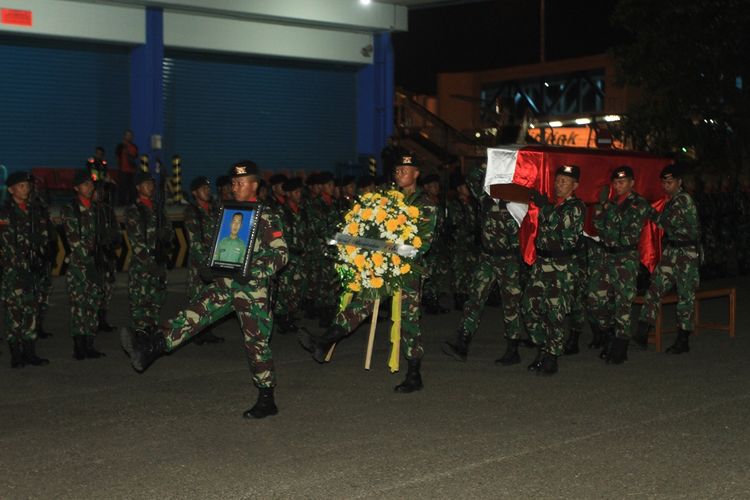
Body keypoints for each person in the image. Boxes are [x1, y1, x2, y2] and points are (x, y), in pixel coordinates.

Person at [120, 160, 289, 419]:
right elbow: (218, 245)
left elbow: (281, 255)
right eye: (233, 183)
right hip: (225, 284)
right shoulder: (228, 212)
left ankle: (267, 397)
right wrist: (210, 265)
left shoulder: (266, 216)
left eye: (240, 183)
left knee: (256, 343)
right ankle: (151, 346)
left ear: (254, 185)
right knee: (193, 314)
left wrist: (252, 269)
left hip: (252, 291)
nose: (234, 187)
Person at [298, 154, 437, 393]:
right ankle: (326, 339)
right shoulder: (385, 198)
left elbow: (422, 244)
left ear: (416, 173)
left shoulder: (425, 203)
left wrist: (390, 248)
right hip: (381, 264)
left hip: (408, 269)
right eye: (397, 170)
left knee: (408, 320)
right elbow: (371, 222)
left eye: (406, 169)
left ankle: (414, 373)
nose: (400, 173)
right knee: (362, 303)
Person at [442, 163, 523, 363]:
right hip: (487, 258)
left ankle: (513, 348)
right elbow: (471, 177)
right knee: (474, 299)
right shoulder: (484, 197)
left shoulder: (515, 203)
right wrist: (489, 163)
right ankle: (462, 342)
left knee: (511, 304)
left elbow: (521, 232)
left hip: (508, 259)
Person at [521, 165, 585, 374]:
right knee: (529, 308)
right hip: (542, 264)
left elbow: (559, 224)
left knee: (555, 313)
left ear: (575, 185)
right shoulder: (551, 205)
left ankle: (552, 356)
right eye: (557, 180)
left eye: (564, 181)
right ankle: (543, 347)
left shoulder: (575, 207)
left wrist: (544, 207)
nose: (559, 185)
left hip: (562, 266)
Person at [586, 165, 651, 364]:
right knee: (595, 299)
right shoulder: (610, 203)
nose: (618, 185)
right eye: (615, 182)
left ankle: (621, 346)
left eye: (622, 182)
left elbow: (623, 228)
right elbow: (599, 228)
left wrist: (606, 209)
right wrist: (600, 209)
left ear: (631, 183)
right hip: (606, 257)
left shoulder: (639, 204)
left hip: (626, 258)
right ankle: (608, 335)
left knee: (623, 302)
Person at [634, 164, 700, 354]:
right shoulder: (672, 200)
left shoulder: (683, 200)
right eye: (663, 182)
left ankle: (683, 338)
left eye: (669, 182)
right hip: (673, 251)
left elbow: (667, 223)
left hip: (687, 253)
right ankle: (643, 330)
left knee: (685, 295)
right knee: (655, 287)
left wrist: (648, 210)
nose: (665, 186)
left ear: (679, 182)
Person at [0, 171, 50, 368]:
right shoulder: (4, 213)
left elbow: (43, 236)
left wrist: (40, 255)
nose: (26, 188)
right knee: (14, 313)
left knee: (31, 310)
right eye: (21, 185)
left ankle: (30, 352)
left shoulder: (34, 210)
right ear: (11, 189)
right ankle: (16, 354)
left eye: (27, 185)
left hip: (32, 269)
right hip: (13, 271)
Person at [61, 170, 111, 360]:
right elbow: (74, 240)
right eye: (85, 184)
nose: (90, 188)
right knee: (79, 307)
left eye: (91, 184)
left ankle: (90, 344)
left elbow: (103, 236)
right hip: (80, 267)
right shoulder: (70, 210)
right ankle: (79, 346)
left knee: (93, 305)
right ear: (76, 188)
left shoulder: (97, 210)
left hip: (96, 264)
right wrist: (91, 256)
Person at [124, 170, 173, 332]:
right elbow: (136, 242)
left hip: (158, 262)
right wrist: (149, 263)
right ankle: (139, 337)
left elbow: (169, 232)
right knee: (141, 303)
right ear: (138, 187)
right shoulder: (133, 210)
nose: (150, 187)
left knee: (156, 300)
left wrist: (165, 240)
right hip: (142, 267)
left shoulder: (159, 208)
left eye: (152, 183)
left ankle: (151, 334)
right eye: (146, 184)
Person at [184, 176, 224, 344]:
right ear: (194, 192)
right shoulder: (191, 211)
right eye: (203, 188)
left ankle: (207, 331)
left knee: (211, 297)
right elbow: (195, 241)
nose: (207, 191)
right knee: (197, 297)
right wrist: (205, 263)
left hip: (215, 261)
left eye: (208, 188)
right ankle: (195, 333)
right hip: (199, 264)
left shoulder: (215, 209)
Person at [273, 177, 307, 334]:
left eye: (300, 191)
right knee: (284, 289)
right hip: (288, 256)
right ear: (288, 194)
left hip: (300, 256)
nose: (299, 194)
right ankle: (282, 318)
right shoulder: (281, 211)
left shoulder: (301, 210)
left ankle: (290, 316)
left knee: (297, 289)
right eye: (296, 192)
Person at [446, 173, 479, 311]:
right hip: (459, 243)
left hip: (471, 243)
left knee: (470, 270)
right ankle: (459, 298)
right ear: (460, 188)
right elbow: (457, 224)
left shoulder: (472, 202)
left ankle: (468, 296)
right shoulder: (456, 204)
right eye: (466, 186)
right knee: (459, 271)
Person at [420, 174, 450, 314]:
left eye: (437, 185)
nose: (437, 188)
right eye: (433, 185)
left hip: (438, 244)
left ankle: (433, 300)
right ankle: (429, 302)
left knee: (437, 274)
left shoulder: (438, 202)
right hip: (428, 245)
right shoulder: (424, 202)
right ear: (426, 187)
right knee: (429, 274)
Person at [115, 129, 138, 205]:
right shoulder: (120, 146)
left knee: (132, 188)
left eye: (131, 136)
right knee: (122, 188)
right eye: (128, 135)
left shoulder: (134, 147)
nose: (129, 137)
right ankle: (121, 203)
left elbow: (135, 157)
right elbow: (117, 156)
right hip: (123, 170)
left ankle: (132, 203)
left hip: (132, 171)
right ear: (124, 136)